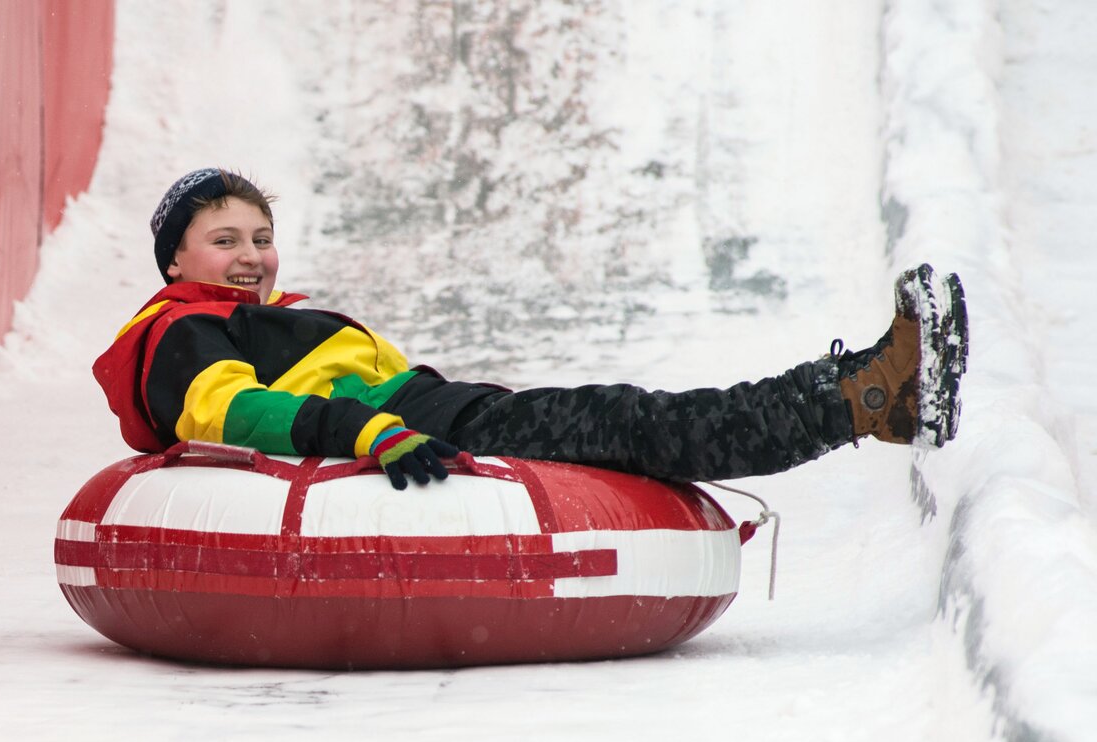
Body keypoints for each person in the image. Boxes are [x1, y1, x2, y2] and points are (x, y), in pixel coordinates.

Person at [93, 168, 969, 490]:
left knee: (633, 424)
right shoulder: (180, 334)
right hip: (427, 427)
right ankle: (865, 394)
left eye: (262, 238)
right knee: (637, 423)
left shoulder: (266, 320)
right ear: (175, 260)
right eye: (225, 241)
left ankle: (871, 400)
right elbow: (226, 415)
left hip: (446, 411)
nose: (252, 256)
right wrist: (360, 427)